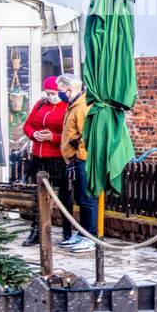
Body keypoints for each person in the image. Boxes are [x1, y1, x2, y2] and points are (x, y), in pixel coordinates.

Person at [20, 76, 72, 246]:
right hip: (38, 156)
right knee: (38, 195)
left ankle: (67, 232)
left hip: (57, 157)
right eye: (48, 93)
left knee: (64, 195)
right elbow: (28, 125)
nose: (50, 97)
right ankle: (36, 231)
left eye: (53, 93)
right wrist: (33, 134)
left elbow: (70, 134)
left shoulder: (67, 107)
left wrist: (53, 137)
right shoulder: (40, 104)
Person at [57, 74, 98, 253]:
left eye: (60, 91)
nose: (59, 94)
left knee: (87, 199)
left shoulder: (82, 107)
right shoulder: (73, 105)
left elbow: (86, 135)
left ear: (69, 89)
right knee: (81, 199)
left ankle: (91, 236)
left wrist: (79, 156)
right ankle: (83, 233)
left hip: (82, 159)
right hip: (74, 159)